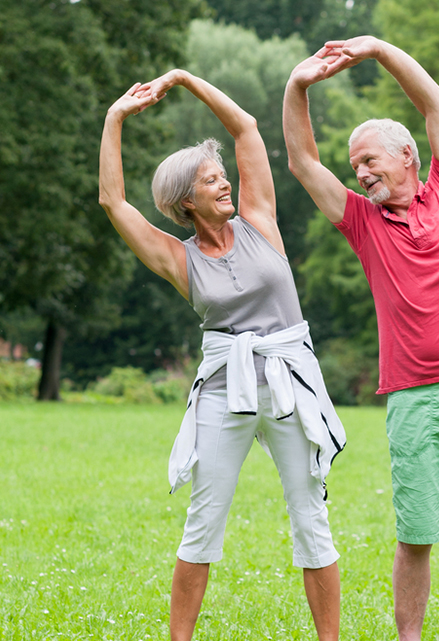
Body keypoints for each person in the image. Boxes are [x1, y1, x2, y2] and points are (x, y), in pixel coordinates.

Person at [283, 37, 439, 641]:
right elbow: (301, 163)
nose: (361, 172)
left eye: (370, 160)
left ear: (407, 156)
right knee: (416, 533)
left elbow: (438, 103)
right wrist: (297, 88)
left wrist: (376, 50)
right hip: (415, 396)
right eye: (355, 167)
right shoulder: (362, 222)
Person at [99, 70, 345, 641]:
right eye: (211, 181)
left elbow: (247, 128)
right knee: (202, 524)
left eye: (222, 175)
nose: (225, 184)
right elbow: (113, 200)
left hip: (289, 382)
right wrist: (115, 119)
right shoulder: (177, 258)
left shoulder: (259, 219)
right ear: (186, 200)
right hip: (223, 390)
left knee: (312, 522)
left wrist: (187, 80)